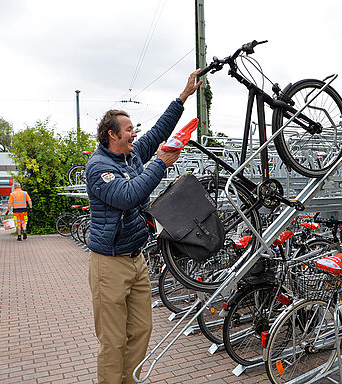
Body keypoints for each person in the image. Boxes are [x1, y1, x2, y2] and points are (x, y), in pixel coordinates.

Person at [86, 69, 202, 384]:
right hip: (108, 265)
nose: (135, 134)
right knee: (113, 341)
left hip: (135, 260)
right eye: (129, 130)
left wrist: (182, 97)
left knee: (142, 329)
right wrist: (160, 163)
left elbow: (159, 129)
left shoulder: (131, 154)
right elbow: (128, 196)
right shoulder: (99, 167)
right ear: (113, 134)